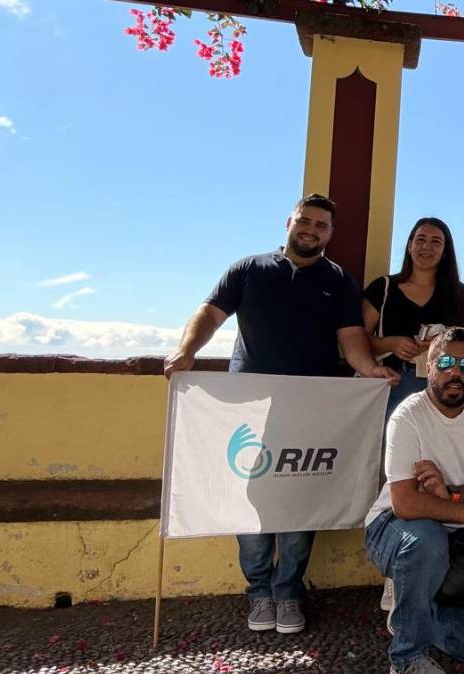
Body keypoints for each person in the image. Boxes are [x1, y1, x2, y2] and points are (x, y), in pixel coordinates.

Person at [163, 194, 398, 636]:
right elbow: (210, 313)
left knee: (298, 498)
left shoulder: (339, 281)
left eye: (321, 225)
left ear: (330, 233)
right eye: (305, 220)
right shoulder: (248, 269)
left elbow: (350, 336)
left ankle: (288, 591)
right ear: (289, 222)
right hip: (250, 408)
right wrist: (185, 353)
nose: (311, 229)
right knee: (250, 500)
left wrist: (369, 370)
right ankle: (259, 590)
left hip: (310, 409)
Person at [363, 327, 464, 674]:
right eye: (446, 362)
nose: (455, 372)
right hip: (395, 527)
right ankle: (406, 654)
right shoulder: (408, 416)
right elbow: (405, 502)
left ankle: (414, 607)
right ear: (428, 366)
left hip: (454, 527)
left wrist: (452, 497)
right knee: (426, 541)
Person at [364, 217, 464, 417]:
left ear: (445, 251)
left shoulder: (462, 296)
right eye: (421, 239)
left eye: (436, 242)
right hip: (392, 386)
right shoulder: (383, 289)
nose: (427, 246)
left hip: (447, 390)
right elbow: (356, 339)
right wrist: (391, 344)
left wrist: (443, 345)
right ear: (409, 246)